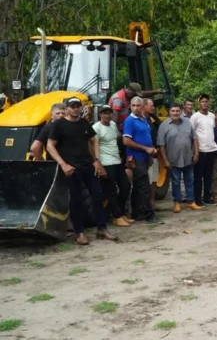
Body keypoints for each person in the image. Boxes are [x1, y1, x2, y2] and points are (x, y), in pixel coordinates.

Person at [47, 97, 118, 245]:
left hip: (88, 166)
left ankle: (102, 228)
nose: (75, 109)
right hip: (72, 168)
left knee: (98, 196)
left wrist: (97, 161)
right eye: (72, 106)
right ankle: (79, 233)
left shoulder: (84, 123)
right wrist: (63, 164)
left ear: (81, 108)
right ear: (67, 108)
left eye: (78, 106)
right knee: (76, 200)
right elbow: (50, 146)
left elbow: (93, 140)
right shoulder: (59, 125)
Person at [157, 102, 201, 213]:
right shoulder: (164, 126)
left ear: (181, 111)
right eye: (173, 111)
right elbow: (161, 145)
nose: (175, 113)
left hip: (188, 158)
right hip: (173, 159)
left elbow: (194, 139)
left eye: (177, 111)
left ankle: (191, 202)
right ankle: (177, 202)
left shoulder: (187, 123)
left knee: (189, 180)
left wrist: (196, 154)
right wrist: (165, 161)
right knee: (175, 182)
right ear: (169, 112)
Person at [93, 105, 132, 227]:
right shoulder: (96, 128)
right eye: (104, 113)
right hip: (106, 162)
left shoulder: (113, 125)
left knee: (126, 187)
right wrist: (98, 163)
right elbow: (94, 146)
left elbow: (116, 141)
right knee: (111, 191)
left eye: (109, 113)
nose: (107, 115)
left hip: (117, 161)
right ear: (100, 115)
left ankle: (120, 213)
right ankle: (116, 216)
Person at [123, 96, 159, 223]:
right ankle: (150, 215)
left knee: (139, 186)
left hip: (145, 157)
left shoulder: (143, 119)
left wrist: (151, 151)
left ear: (142, 107)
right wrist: (145, 149)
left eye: (138, 106)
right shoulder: (130, 121)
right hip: (136, 158)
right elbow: (126, 140)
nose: (136, 108)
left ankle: (136, 213)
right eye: (133, 106)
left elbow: (146, 137)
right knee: (144, 186)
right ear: (130, 107)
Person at [190, 94, 217, 205]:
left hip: (211, 150)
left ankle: (207, 197)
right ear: (199, 103)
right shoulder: (195, 117)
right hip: (200, 150)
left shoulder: (212, 116)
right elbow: (191, 134)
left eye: (206, 101)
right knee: (198, 176)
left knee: (208, 176)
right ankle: (198, 198)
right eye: (202, 101)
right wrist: (194, 152)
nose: (205, 103)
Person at [143, 98, 162, 210]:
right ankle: (145, 205)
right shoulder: (140, 120)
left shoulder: (152, 119)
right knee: (147, 180)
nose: (153, 108)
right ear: (144, 106)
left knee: (154, 179)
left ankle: (152, 201)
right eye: (151, 105)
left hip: (155, 154)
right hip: (145, 155)